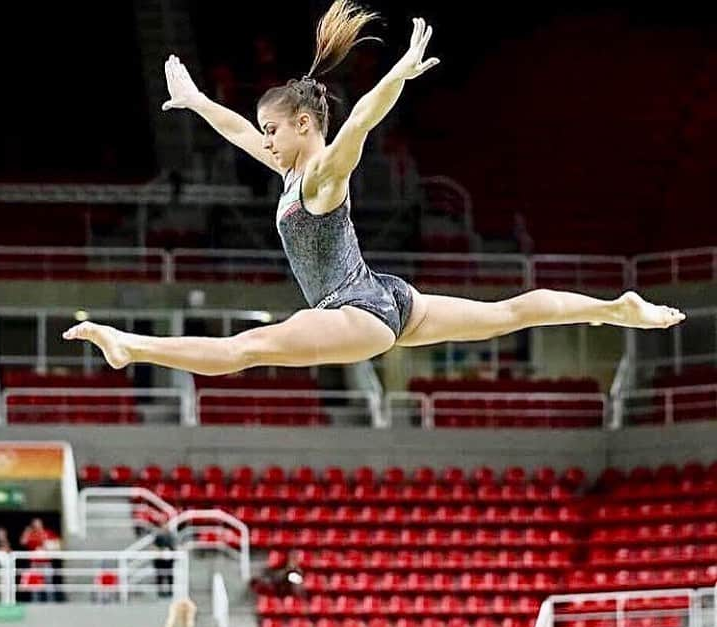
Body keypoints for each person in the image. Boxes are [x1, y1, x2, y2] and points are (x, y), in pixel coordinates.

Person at [62, 2, 685, 377]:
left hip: (354, 310)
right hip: (386, 295)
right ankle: (614, 310)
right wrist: (197, 101)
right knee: (508, 313)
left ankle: (129, 346)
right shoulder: (289, 173)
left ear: (305, 125)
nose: (266, 139)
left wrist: (398, 73)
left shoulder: (324, 175)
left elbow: (360, 119)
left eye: (274, 129)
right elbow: (236, 131)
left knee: (248, 348)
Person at [151, 527, 176, 599]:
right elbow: (154, 547)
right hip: (159, 560)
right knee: (159, 577)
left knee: (170, 576)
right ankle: (160, 592)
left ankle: (170, 592)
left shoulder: (171, 537)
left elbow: (174, 547)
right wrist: (160, 551)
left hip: (169, 561)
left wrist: (170, 551)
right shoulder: (157, 537)